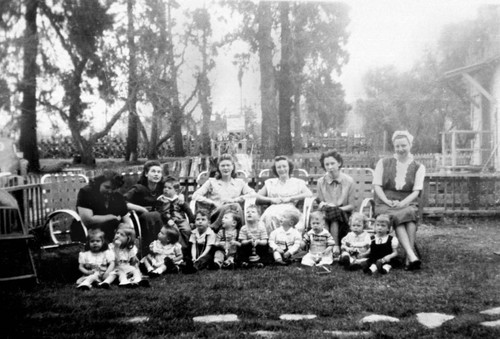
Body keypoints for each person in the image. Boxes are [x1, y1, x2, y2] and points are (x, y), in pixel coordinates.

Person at [373, 130, 424, 270]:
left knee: (408, 213)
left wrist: (403, 203)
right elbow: (377, 186)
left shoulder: (419, 167)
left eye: (404, 145)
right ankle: (411, 256)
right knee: (400, 215)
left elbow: (416, 191)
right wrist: (387, 201)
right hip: (384, 202)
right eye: (397, 146)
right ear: (394, 147)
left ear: (410, 145)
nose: (401, 149)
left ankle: (409, 257)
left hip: (407, 201)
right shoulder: (383, 162)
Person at [192, 153, 255, 232]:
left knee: (235, 205)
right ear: (218, 168)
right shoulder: (212, 182)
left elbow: (252, 194)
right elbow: (195, 195)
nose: (225, 168)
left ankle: (213, 227)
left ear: (233, 167)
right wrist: (212, 203)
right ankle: (241, 232)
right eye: (222, 165)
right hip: (216, 213)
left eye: (228, 165)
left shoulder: (239, 183)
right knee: (233, 206)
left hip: (234, 215)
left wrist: (235, 200)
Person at [257, 155, 313, 235]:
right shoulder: (270, 182)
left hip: (290, 209)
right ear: (275, 170)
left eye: (284, 166)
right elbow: (257, 196)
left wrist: (291, 198)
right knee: (270, 217)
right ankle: (273, 243)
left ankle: (288, 242)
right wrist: (271, 200)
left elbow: (309, 194)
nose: (282, 169)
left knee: (287, 218)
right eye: (278, 167)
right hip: (273, 209)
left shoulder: (297, 182)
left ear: (289, 167)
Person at [315, 150, 355, 257]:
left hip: (344, 214)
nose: (330, 167)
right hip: (326, 213)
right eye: (327, 164)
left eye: (332, 163)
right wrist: (326, 206)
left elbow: (351, 206)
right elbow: (320, 202)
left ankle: (332, 245)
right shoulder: (320, 182)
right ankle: (333, 246)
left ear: (339, 163)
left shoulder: (349, 181)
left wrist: (338, 208)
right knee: (329, 212)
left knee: (334, 211)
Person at [76, 170, 132, 243]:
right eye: (107, 187)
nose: (110, 191)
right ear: (99, 183)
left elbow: (125, 217)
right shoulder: (87, 193)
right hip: (88, 230)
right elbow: (88, 220)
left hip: (111, 229)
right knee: (112, 223)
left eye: (113, 189)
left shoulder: (117, 196)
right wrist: (111, 216)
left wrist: (130, 231)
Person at [125, 160, 165, 253]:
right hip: (142, 218)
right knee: (153, 215)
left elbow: (174, 189)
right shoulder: (138, 188)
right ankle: (152, 250)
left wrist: (180, 196)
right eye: (153, 171)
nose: (156, 174)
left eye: (159, 172)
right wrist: (141, 209)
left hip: (160, 216)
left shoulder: (162, 187)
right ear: (146, 174)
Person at [156, 176, 194, 252]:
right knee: (175, 231)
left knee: (187, 230)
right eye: (165, 187)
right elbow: (162, 212)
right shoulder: (161, 200)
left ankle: (187, 248)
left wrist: (192, 221)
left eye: (169, 188)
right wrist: (168, 219)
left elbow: (188, 210)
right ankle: (181, 249)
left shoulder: (179, 200)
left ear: (176, 191)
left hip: (180, 219)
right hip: (168, 221)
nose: (166, 189)